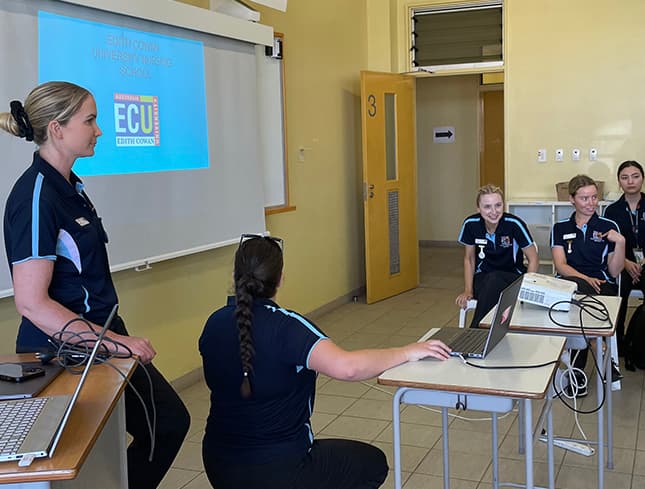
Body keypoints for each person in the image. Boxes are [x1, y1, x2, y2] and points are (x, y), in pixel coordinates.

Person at [1, 81, 189, 489]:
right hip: (63, 350)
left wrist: (113, 339)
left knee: (166, 424)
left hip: (100, 336)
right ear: (57, 128)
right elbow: (32, 303)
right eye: (90, 120)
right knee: (79, 459)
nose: (98, 129)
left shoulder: (71, 186)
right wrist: (116, 345)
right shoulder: (35, 197)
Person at [199, 235, 451, 489]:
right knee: (372, 464)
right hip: (280, 469)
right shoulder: (286, 326)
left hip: (218, 465)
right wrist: (406, 351)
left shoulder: (213, 323)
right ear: (280, 278)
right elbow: (348, 367)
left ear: (235, 276)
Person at [552, 175, 625, 374]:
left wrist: (621, 243)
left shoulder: (608, 227)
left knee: (579, 306)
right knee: (577, 295)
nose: (591, 203)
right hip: (569, 285)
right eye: (584, 198)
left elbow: (615, 271)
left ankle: (576, 373)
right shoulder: (560, 228)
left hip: (602, 285)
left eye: (594, 197)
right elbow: (560, 266)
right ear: (572, 199)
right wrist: (585, 279)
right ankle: (596, 346)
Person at [603, 161, 645, 352]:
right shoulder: (611, 210)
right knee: (619, 287)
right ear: (619, 182)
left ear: (643, 179)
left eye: (635, 176)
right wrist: (627, 263)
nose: (630, 181)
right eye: (625, 177)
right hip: (622, 264)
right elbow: (610, 245)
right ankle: (617, 340)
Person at [456, 184, 538, 328]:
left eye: (498, 205)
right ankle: (485, 335)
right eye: (487, 207)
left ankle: (475, 334)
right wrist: (468, 290)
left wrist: (527, 288)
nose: (493, 212)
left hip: (512, 277)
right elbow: (469, 259)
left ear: (503, 205)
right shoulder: (471, 224)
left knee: (494, 281)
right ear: (478, 208)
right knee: (491, 282)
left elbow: (533, 259)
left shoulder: (514, 224)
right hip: (483, 278)